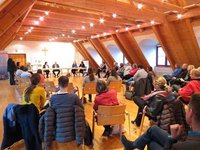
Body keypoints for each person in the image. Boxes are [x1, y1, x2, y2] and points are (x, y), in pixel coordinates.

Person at [121, 93, 200, 150]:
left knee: (151, 143)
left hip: (180, 143)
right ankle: (132, 145)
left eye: (187, 109)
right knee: (153, 129)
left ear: (191, 113)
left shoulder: (180, 147)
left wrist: (172, 138)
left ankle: (133, 146)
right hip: (186, 139)